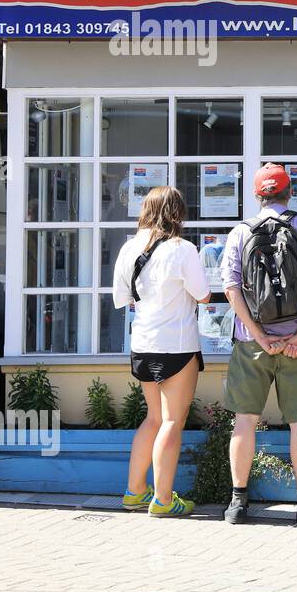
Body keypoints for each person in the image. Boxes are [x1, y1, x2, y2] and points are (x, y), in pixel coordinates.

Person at [221, 163, 297, 525]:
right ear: (290, 193)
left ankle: (238, 504)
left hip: (251, 344)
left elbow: (231, 288)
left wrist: (258, 334)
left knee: (244, 421)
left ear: (257, 195)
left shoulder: (240, 232)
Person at [111, 186, 210, 518]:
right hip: (177, 344)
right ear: (177, 213)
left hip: (142, 343)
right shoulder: (183, 249)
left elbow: (122, 298)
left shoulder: (129, 247)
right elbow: (203, 295)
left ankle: (135, 491)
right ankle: (164, 499)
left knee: (153, 418)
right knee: (171, 421)